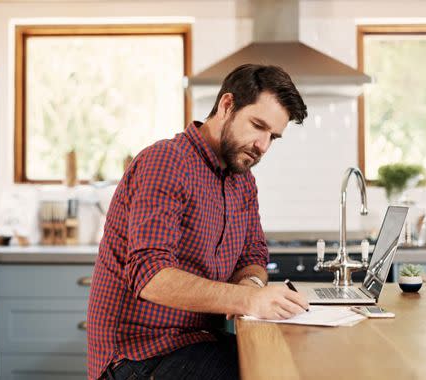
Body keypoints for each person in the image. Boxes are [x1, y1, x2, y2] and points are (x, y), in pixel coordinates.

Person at [87, 64, 309, 380]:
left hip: (198, 342)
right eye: (257, 126)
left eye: (273, 136)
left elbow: (253, 258)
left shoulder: (242, 182)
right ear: (227, 105)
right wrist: (247, 299)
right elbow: (150, 275)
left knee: (286, 360)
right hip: (138, 357)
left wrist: (251, 284)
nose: (263, 146)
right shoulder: (165, 161)